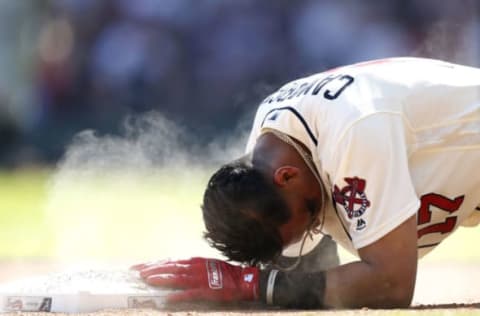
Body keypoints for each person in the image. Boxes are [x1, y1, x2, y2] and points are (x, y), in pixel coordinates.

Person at [134, 57, 480, 309]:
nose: (316, 229)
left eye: (311, 218)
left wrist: (249, 285)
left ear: (286, 176)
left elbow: (392, 285)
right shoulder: (274, 148)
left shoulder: (352, 133)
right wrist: (225, 282)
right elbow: (303, 272)